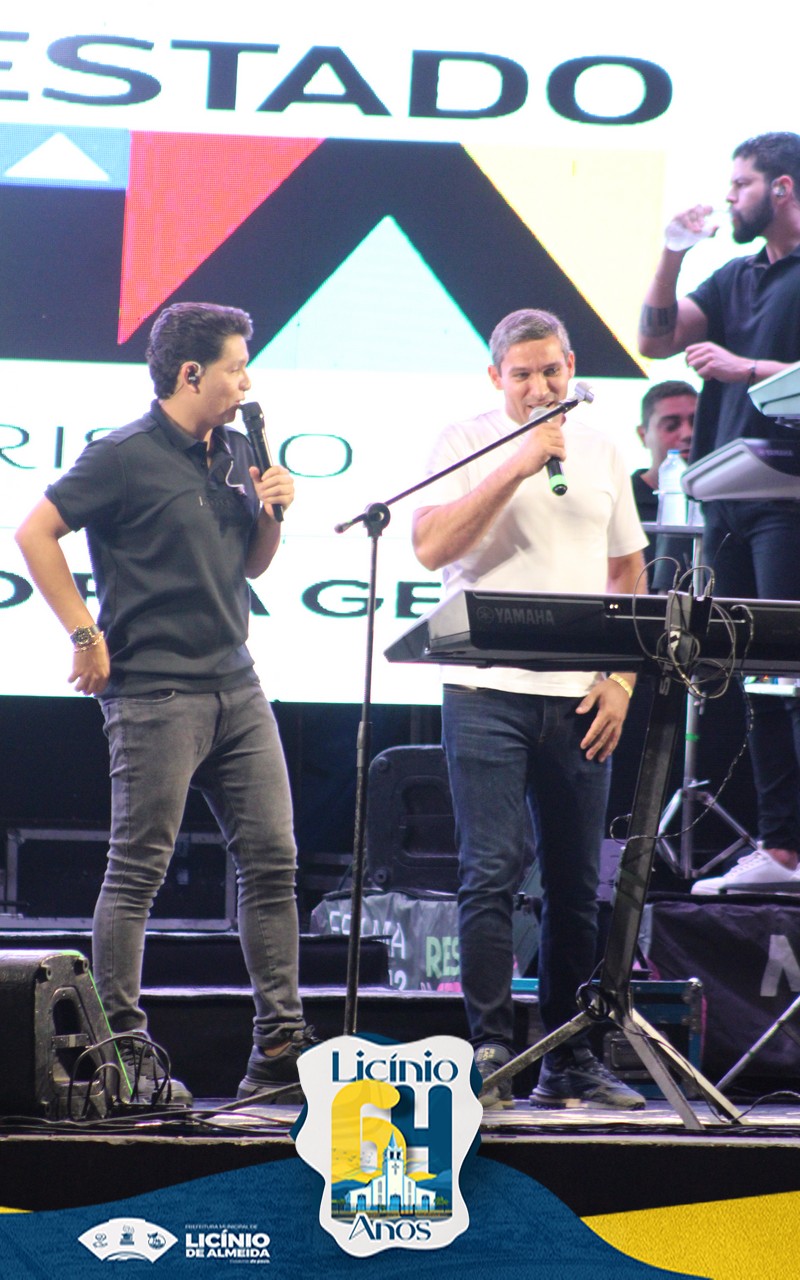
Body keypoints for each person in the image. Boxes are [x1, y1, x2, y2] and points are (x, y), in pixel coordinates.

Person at [15, 301, 315, 1102]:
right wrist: (84, 632)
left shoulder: (238, 448)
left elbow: (251, 566)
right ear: (191, 374)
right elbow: (34, 533)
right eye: (235, 368)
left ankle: (279, 1047)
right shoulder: (121, 455)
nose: (246, 382)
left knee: (274, 861)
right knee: (138, 871)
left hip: (237, 685)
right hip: (155, 693)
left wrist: (273, 513)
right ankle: (120, 1054)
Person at [412, 308, 647, 1109]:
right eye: (523, 374)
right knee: (490, 873)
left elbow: (627, 572)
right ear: (496, 378)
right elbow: (431, 547)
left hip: (579, 699)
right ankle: (490, 1055)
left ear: (572, 367)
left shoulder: (604, 444)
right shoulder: (462, 441)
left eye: (552, 371)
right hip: (485, 691)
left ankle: (571, 1059)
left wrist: (622, 681)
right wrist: (517, 463)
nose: (541, 387)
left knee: (576, 885)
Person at [638, 131, 800, 894]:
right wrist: (672, 255)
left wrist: (749, 369)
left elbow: (752, 372)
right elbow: (655, 339)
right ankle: (782, 846)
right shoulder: (737, 276)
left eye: (742, 185)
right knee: (756, 672)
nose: (731, 198)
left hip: (789, 497)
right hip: (728, 493)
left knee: (790, 666)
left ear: (783, 188)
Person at [632, 381, 697, 590]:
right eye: (671, 426)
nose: (688, 434)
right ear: (643, 435)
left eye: (697, 422)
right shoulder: (622, 501)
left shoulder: (722, 502)